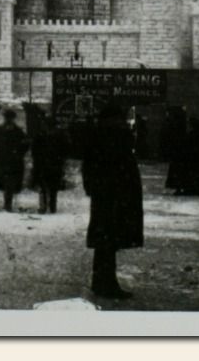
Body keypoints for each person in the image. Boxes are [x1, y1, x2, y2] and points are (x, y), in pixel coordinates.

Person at [81, 99, 144, 300]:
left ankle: (101, 282)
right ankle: (106, 284)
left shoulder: (96, 136)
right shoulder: (118, 136)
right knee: (110, 242)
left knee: (104, 243)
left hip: (103, 198)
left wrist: (92, 189)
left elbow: (87, 167)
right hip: (117, 197)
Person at [0, 107, 29, 212]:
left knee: (9, 183)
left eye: (10, 118)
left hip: (12, 161)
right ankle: (7, 203)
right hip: (3, 161)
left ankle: (7, 204)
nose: (8, 120)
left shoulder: (16, 131)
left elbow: (25, 145)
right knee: (6, 183)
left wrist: (19, 154)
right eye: (7, 117)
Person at [28, 108, 67, 214]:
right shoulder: (59, 136)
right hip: (53, 164)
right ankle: (51, 207)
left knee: (44, 187)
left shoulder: (41, 136)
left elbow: (34, 150)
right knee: (52, 188)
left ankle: (44, 206)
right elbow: (64, 151)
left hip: (44, 164)